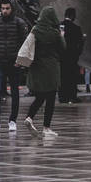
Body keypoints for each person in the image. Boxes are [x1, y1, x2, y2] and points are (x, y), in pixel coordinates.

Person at [22, 7, 65, 139]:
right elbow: (63, 49)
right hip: (51, 68)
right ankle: (46, 127)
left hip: (37, 67)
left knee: (40, 96)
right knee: (51, 97)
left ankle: (29, 117)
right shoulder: (55, 33)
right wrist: (61, 36)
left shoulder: (35, 30)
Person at [0, 1, 29, 132]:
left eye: (7, 8)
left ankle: (12, 120)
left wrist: (20, 61)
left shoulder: (19, 23)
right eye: (3, 8)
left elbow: (24, 43)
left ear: (12, 9)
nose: (4, 11)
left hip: (13, 62)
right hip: (0, 61)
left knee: (15, 92)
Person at [59, 8, 86, 104]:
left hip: (61, 57)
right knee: (72, 77)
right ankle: (72, 96)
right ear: (72, 15)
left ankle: (62, 96)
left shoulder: (59, 26)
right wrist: (77, 53)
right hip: (72, 57)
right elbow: (80, 43)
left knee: (62, 77)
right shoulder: (76, 28)